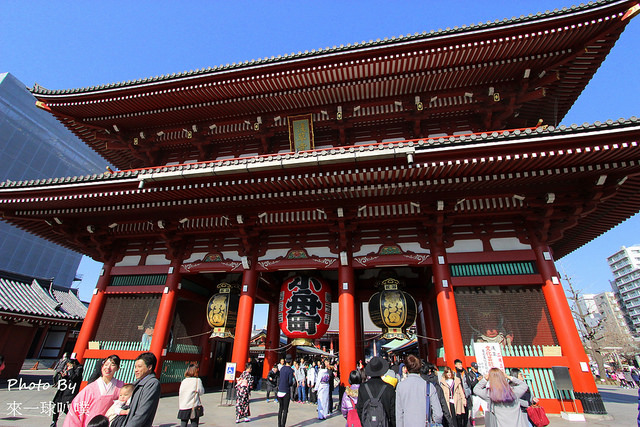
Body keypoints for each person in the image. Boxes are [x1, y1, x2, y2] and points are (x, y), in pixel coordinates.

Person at [63, 355, 123, 427]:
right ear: (102, 367)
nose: (108, 367)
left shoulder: (121, 387)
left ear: (117, 368)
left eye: (112, 365)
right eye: (106, 364)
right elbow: (76, 411)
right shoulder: (90, 389)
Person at [395, 355, 442, 427]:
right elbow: (438, 414)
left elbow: (399, 414)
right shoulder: (429, 386)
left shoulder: (400, 386)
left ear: (406, 368)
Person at [355, 356, 396, 427]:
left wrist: (364, 422)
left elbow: (359, 408)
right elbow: (393, 413)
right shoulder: (389, 388)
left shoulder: (363, 387)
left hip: (368, 423)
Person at [123, 352, 161, 427]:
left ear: (149, 367)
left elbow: (142, 413)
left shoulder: (152, 384)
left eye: (139, 367)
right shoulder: (136, 384)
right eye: (135, 367)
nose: (136, 370)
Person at [421, 362, 453, 427]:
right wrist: (450, 423)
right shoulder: (436, 386)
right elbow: (444, 407)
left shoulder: (417, 386)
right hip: (435, 420)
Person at [52, 359, 83, 427]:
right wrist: (64, 375)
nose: (68, 366)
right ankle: (53, 421)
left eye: (69, 364)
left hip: (69, 391)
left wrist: (71, 370)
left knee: (63, 406)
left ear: (74, 363)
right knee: (57, 404)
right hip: (63, 389)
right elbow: (68, 378)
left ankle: (74, 418)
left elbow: (74, 378)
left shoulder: (79, 368)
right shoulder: (71, 369)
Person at [277, 354, 295, 427]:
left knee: (280, 409)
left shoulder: (281, 368)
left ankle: (279, 425)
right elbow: (290, 382)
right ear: (291, 361)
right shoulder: (290, 370)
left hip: (279, 390)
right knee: (285, 410)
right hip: (286, 391)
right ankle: (283, 425)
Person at [453, 359, 471, 427]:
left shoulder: (464, 372)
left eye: (461, 364)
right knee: (460, 413)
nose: (460, 366)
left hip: (466, 394)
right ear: (455, 365)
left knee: (466, 413)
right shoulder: (454, 373)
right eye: (458, 364)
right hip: (459, 396)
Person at [467, 362, 485, 426]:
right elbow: (470, 384)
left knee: (485, 408)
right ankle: (472, 419)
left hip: (481, 393)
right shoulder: (469, 375)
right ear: (471, 367)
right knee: (475, 409)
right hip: (474, 394)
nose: (476, 369)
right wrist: (477, 380)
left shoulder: (479, 374)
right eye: (475, 368)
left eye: (477, 368)